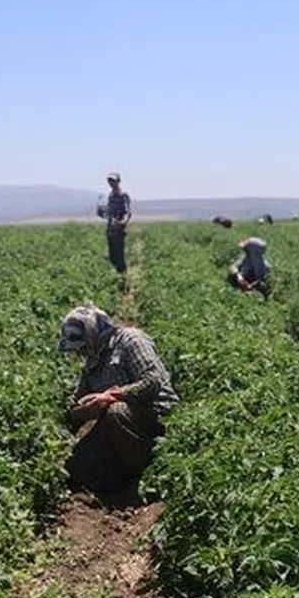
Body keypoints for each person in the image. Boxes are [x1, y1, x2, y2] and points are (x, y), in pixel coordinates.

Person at [57, 304, 178, 495]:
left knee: (116, 412)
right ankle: (120, 476)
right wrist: (81, 412)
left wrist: (114, 395)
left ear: (92, 336)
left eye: (81, 348)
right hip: (118, 426)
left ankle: (149, 473)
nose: (80, 354)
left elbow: (153, 381)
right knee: (75, 466)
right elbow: (76, 400)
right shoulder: (93, 358)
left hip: (155, 417)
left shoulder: (131, 340)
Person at [102, 172, 131, 273]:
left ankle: (123, 280)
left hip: (118, 230)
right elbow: (109, 212)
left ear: (118, 181)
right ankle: (117, 278)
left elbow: (127, 212)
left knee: (119, 256)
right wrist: (103, 213)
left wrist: (122, 222)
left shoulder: (123, 195)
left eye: (113, 181)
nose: (111, 183)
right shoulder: (110, 195)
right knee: (112, 256)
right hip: (110, 229)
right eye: (109, 181)